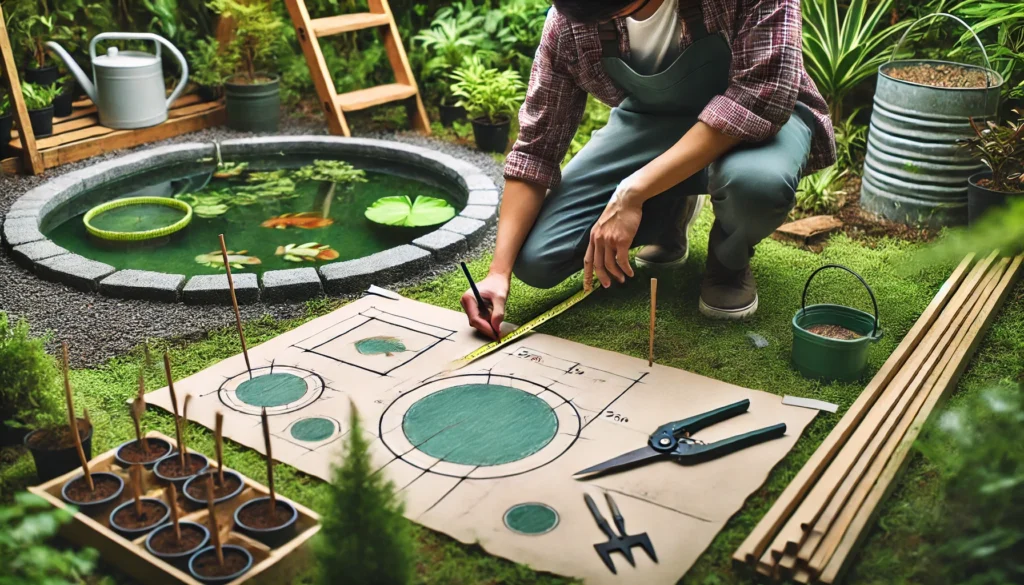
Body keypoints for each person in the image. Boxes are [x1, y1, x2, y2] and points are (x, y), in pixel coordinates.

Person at [460, 0, 836, 338]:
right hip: (653, 123)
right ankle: (670, 212)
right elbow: (537, 149)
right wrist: (498, 273)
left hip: (761, 118)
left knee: (757, 185)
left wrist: (633, 191)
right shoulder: (569, 22)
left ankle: (728, 258)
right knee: (538, 259)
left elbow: (761, 96)